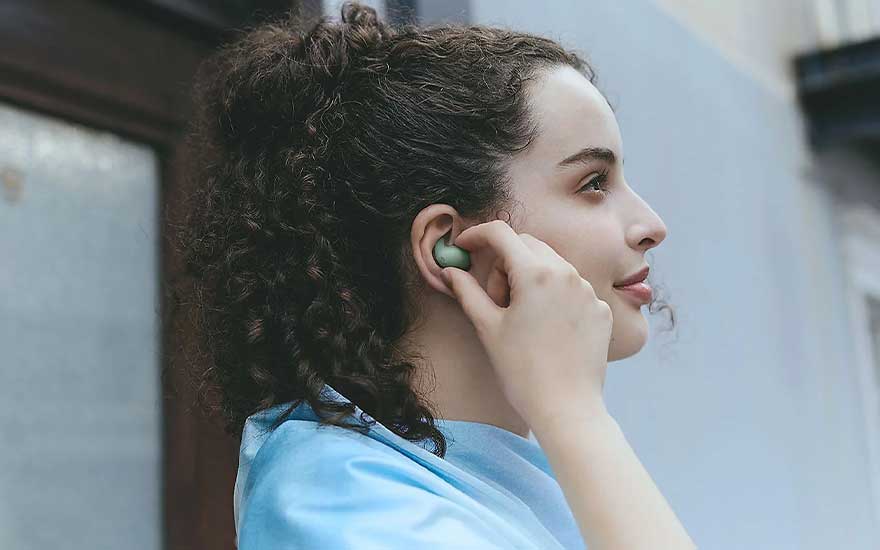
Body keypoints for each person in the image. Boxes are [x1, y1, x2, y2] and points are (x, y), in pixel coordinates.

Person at [174, 1, 695, 548]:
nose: (651, 225)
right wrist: (576, 412)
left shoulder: (500, 477)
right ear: (448, 245)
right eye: (593, 183)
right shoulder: (342, 506)